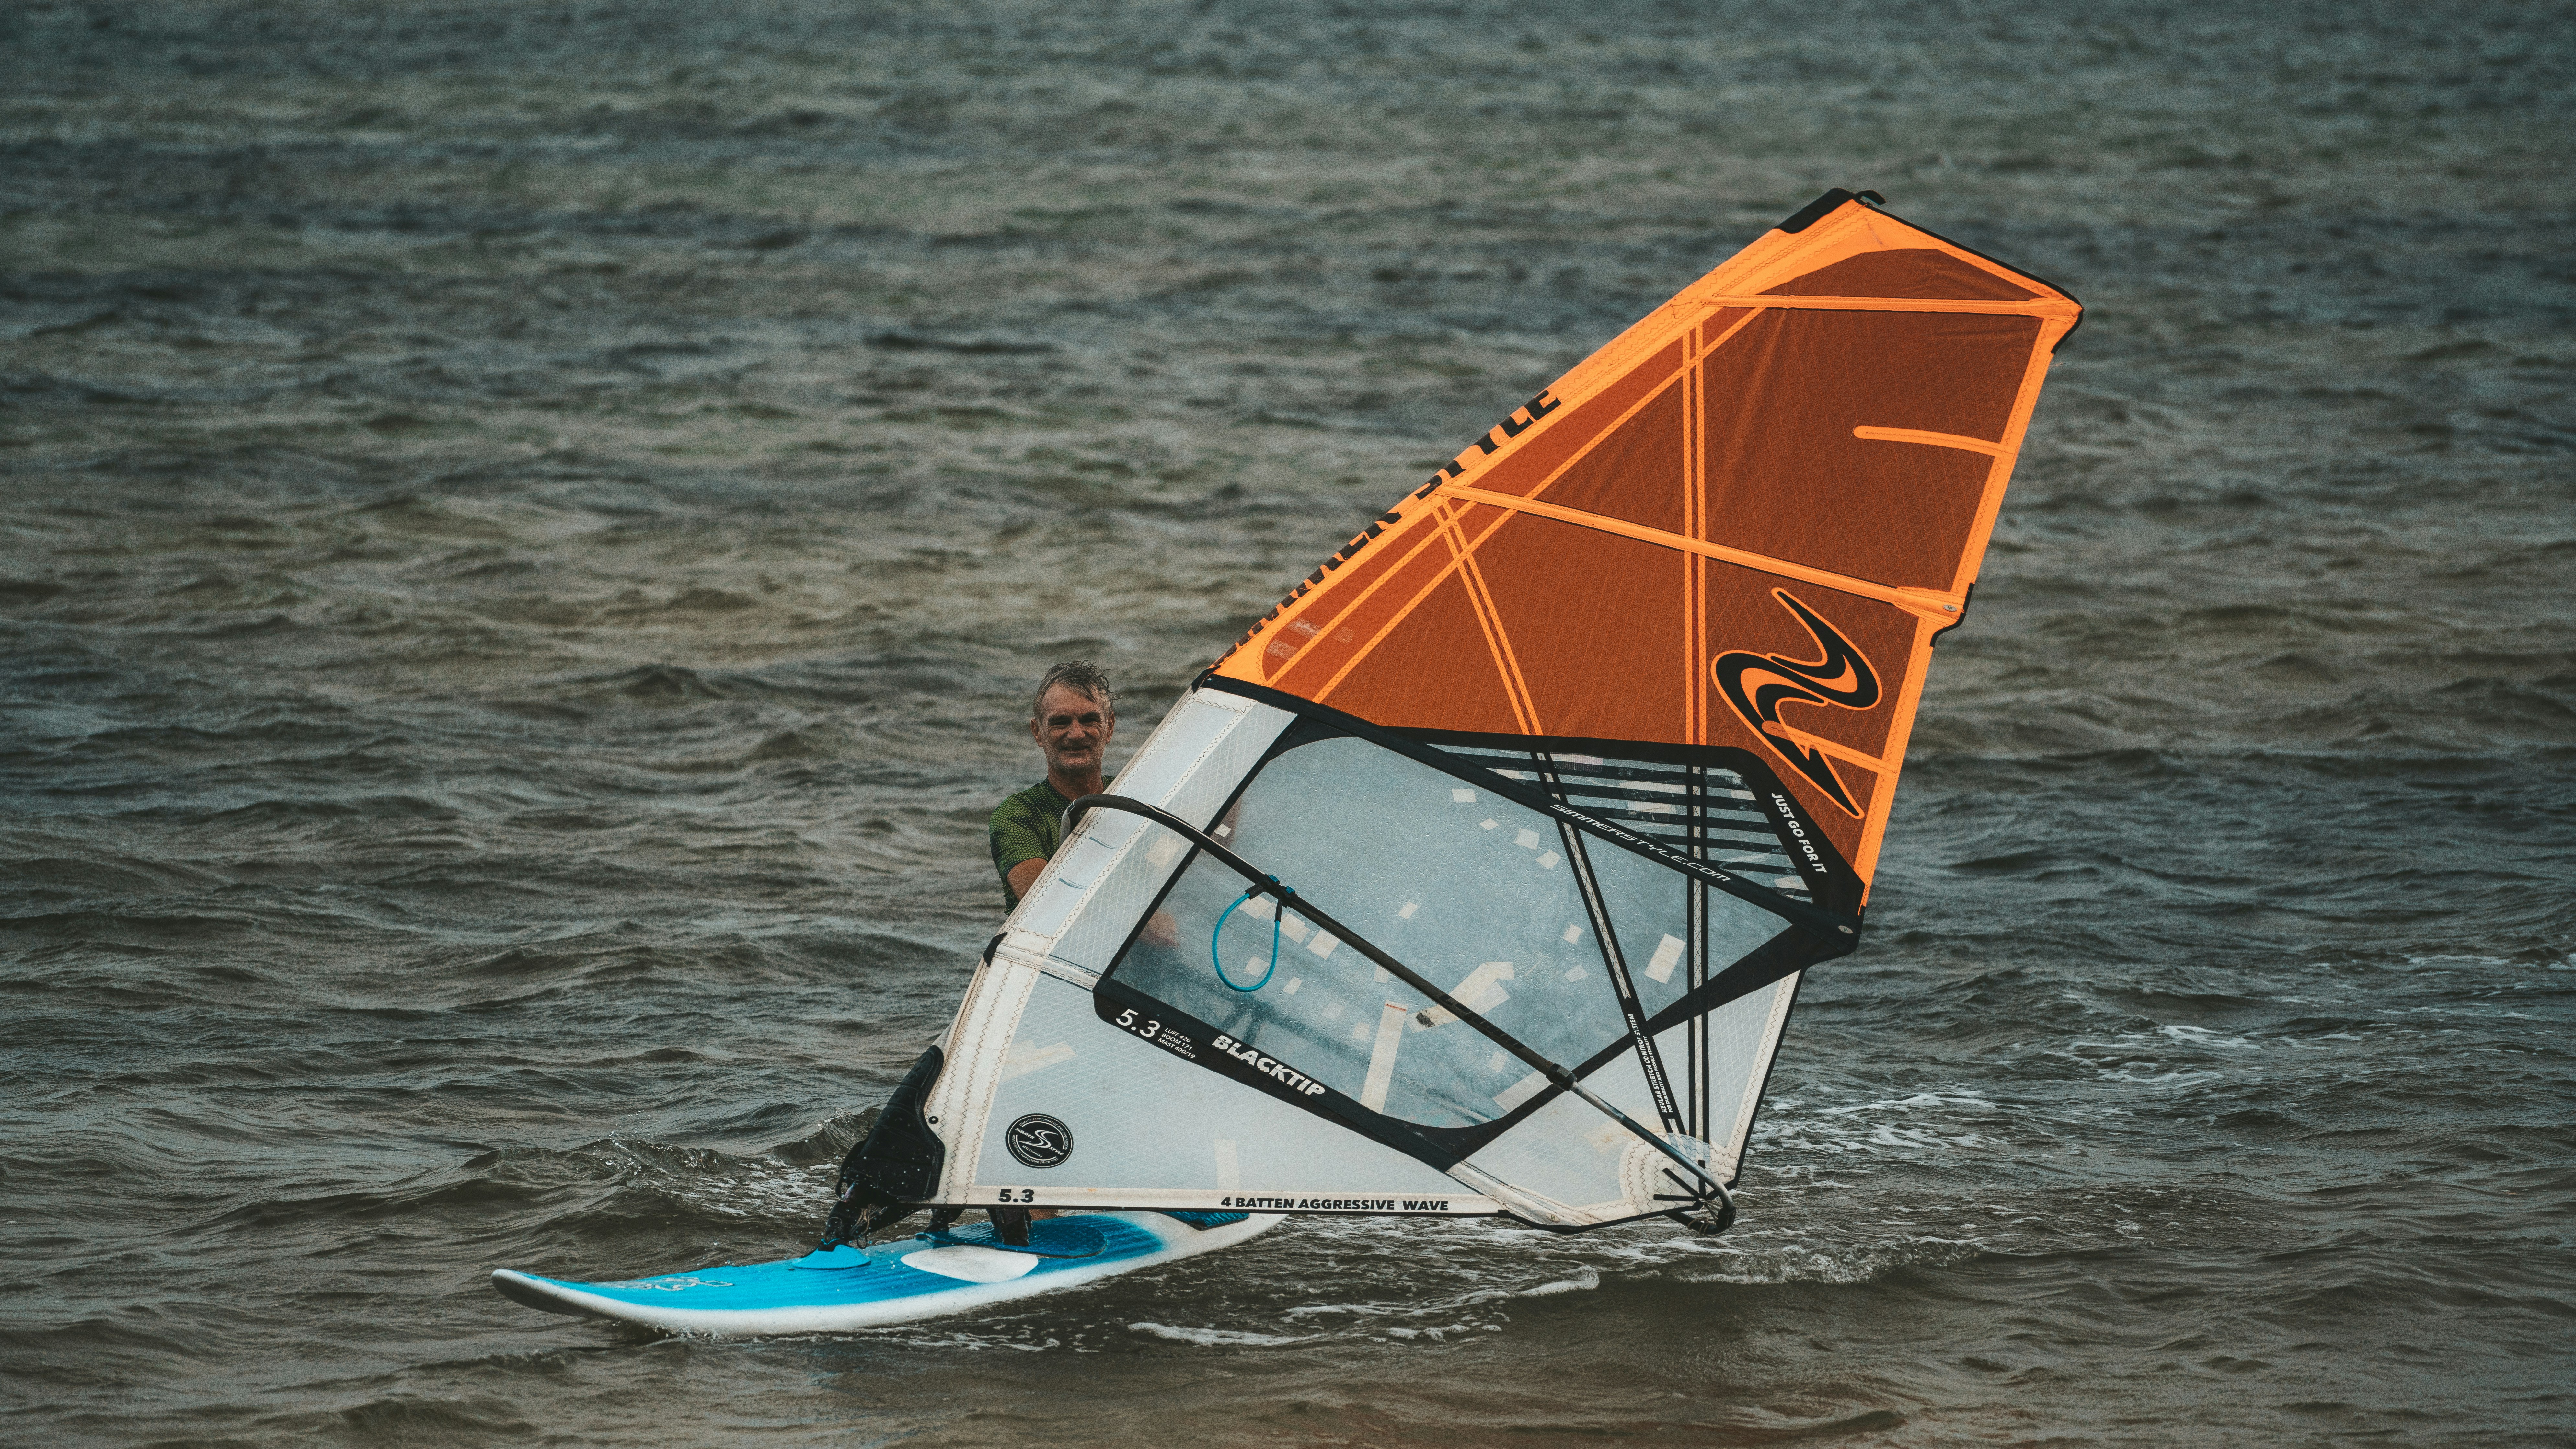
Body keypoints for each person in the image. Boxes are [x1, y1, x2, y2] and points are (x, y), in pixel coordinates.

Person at [990, 659, 1118, 910]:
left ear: (1109, 727)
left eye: (1089, 720)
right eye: (1060, 722)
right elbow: (1048, 906)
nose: (1077, 734)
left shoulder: (1139, 795)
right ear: (1038, 733)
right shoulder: (1017, 816)